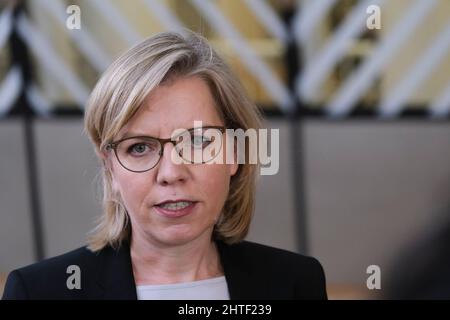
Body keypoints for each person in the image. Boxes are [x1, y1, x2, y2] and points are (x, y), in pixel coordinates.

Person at [2, 31, 327, 300]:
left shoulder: (295, 283)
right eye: (139, 147)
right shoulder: (39, 293)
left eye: (198, 141)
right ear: (110, 168)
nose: (172, 173)